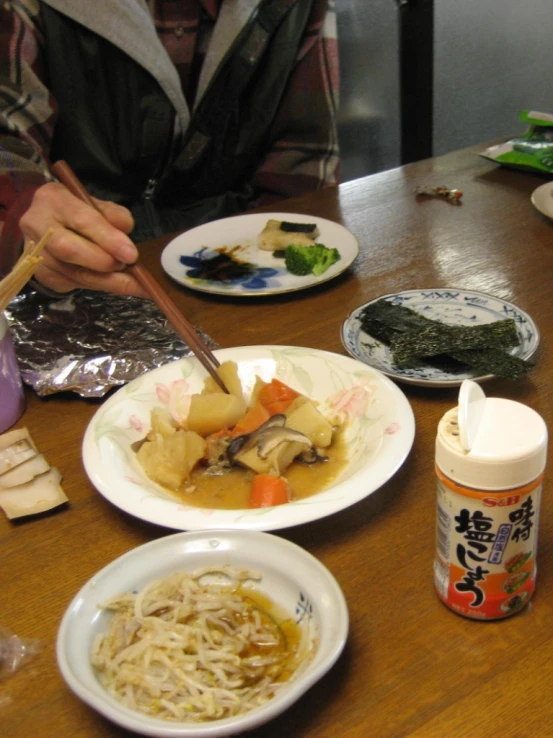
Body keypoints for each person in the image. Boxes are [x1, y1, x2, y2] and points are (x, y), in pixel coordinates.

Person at [0, 0, 340, 297]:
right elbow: (8, 142)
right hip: (78, 281)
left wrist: (259, 282)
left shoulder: (299, 7)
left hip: (236, 278)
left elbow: (303, 169)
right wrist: (22, 213)